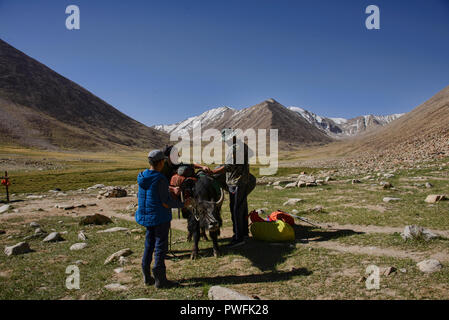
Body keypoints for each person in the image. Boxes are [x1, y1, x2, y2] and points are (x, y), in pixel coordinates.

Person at [135, 149, 188, 289]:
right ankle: (160, 280)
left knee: (149, 245)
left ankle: (146, 276)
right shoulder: (160, 178)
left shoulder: (142, 176)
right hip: (159, 217)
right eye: (163, 161)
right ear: (159, 162)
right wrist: (183, 204)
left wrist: (169, 189)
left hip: (146, 216)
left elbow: (151, 192)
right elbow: (165, 202)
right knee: (160, 247)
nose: (164, 163)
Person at [211, 129, 255, 248]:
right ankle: (244, 233)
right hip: (244, 180)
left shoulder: (234, 148)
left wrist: (214, 171)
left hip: (235, 182)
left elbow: (229, 166)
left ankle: (238, 237)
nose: (226, 142)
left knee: (235, 209)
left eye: (227, 140)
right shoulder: (243, 146)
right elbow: (251, 154)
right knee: (242, 206)